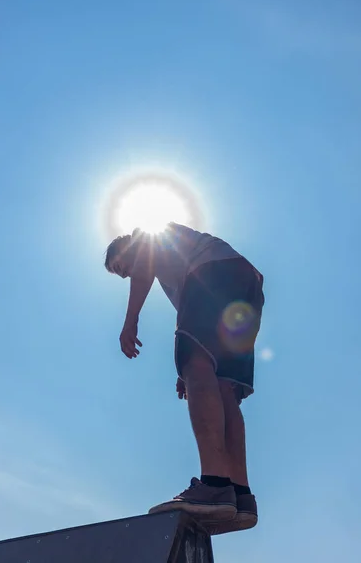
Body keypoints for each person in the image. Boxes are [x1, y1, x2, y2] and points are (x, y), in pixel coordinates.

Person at [104, 221, 264, 535]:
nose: (126, 275)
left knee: (198, 366)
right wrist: (191, 370)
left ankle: (214, 484)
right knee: (223, 387)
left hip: (213, 273)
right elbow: (189, 311)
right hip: (246, 283)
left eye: (120, 267)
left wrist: (130, 322)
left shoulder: (145, 237)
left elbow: (144, 264)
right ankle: (240, 495)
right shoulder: (178, 255)